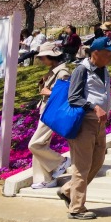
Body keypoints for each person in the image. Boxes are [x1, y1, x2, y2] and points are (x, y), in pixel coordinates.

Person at [58, 36, 111, 220]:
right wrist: (94, 106)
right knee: (81, 167)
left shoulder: (103, 69)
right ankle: (76, 208)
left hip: (100, 124)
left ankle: (68, 190)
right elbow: (73, 98)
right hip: (85, 123)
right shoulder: (81, 70)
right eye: (107, 53)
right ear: (96, 53)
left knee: (97, 161)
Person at [28, 43, 71, 189]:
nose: (41, 60)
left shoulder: (62, 72)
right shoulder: (53, 71)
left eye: (43, 57)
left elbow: (66, 95)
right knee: (40, 146)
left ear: (51, 56)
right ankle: (46, 179)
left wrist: (49, 92)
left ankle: (61, 161)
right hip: (46, 110)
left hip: (52, 113)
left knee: (34, 144)